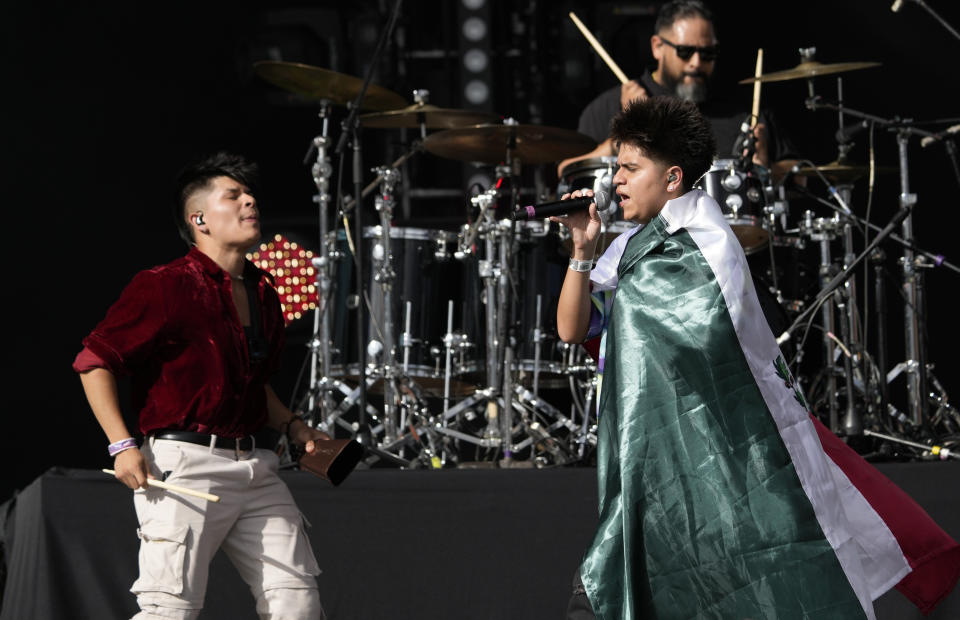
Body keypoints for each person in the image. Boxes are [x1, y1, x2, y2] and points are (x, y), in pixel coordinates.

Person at [554, 97, 960, 619]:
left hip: (707, 467)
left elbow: (723, 356)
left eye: (631, 168)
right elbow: (572, 330)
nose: (616, 181)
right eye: (616, 168)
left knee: (610, 595)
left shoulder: (708, 249)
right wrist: (582, 251)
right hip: (643, 462)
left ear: (673, 178)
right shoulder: (628, 249)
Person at [74, 152, 329, 619]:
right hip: (183, 468)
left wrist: (295, 428)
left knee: (298, 604)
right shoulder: (165, 285)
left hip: (256, 466)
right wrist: (121, 444)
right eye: (233, 196)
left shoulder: (266, 291)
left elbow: (256, 386)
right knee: (169, 609)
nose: (250, 201)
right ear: (199, 219)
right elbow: (94, 362)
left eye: (249, 195)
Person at [558, 0, 793, 178]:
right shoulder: (610, 106)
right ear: (657, 47)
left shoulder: (744, 109)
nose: (696, 62)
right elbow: (566, 171)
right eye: (685, 51)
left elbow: (797, 173)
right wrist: (619, 139)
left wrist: (765, 171)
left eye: (708, 53)